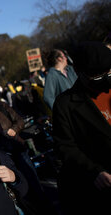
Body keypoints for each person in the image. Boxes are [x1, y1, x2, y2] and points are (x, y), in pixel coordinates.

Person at [0, 81, 55, 214]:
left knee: (34, 184)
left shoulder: (2, 106)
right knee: (18, 191)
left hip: (17, 149)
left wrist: (13, 129)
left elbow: (20, 120)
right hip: (0, 156)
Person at [52, 41, 111, 214]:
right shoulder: (65, 104)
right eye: (97, 76)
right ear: (79, 73)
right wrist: (95, 172)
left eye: (109, 72)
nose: (105, 79)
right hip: (100, 188)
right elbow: (65, 146)